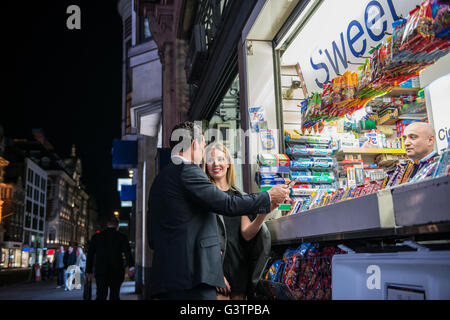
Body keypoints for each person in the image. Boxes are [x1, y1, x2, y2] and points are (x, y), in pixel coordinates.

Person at [147, 121, 289, 300]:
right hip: (191, 279)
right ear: (195, 144)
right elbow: (227, 204)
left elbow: (152, 238)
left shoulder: (160, 180)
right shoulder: (187, 171)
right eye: (204, 146)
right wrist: (267, 196)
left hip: (169, 279)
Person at [203, 143, 272, 300]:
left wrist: (263, 213)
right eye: (210, 160)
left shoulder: (239, 196)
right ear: (205, 165)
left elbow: (247, 234)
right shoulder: (205, 197)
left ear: (228, 163)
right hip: (217, 271)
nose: (216, 164)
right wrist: (215, 273)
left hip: (239, 271)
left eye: (220, 159)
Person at [85, 216, 135, 300]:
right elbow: (127, 253)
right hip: (116, 271)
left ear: (107, 224)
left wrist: (88, 270)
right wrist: (131, 267)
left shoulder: (96, 237)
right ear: (117, 225)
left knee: (101, 295)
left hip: (101, 271)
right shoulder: (122, 237)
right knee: (115, 295)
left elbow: (90, 255)